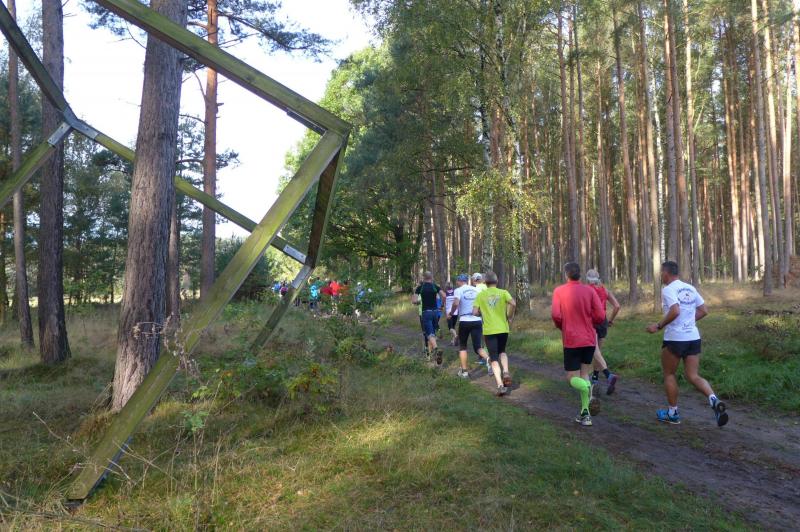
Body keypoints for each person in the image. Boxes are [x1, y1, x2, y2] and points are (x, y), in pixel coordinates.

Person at [646, 261, 729, 427]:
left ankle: (673, 414)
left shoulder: (668, 289)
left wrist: (658, 326)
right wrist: (689, 321)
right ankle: (713, 399)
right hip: (693, 337)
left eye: (661, 273)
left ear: (666, 273)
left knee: (669, 374)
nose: (661, 276)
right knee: (693, 376)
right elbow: (704, 310)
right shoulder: (690, 288)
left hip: (675, 339)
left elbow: (675, 310)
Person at [551, 262, 605, 427]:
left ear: (566, 274)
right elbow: (600, 315)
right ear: (580, 275)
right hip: (589, 339)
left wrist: (563, 326)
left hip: (572, 340)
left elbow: (556, 315)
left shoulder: (559, 291)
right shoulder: (589, 290)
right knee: (584, 374)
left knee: (571, 378)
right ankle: (585, 415)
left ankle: (590, 392)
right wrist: (589, 322)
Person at [473, 271, 515, 395]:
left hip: (489, 330)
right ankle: (505, 371)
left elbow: (474, 312)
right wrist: (509, 316)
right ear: (497, 281)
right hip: (503, 328)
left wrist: (481, 313)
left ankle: (500, 385)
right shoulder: (503, 292)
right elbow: (513, 303)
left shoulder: (481, 295)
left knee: (494, 357)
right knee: (502, 351)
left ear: (485, 283)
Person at [585, 269, 621, 395]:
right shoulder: (605, 290)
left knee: (595, 351)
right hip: (603, 322)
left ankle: (608, 375)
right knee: (598, 352)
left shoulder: (587, 290)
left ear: (587, 279)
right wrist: (610, 320)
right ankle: (595, 378)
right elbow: (617, 306)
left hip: (592, 322)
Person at [449, 274, 491, 378]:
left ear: (459, 281)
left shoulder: (458, 290)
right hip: (477, 320)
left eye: (457, 281)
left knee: (463, 346)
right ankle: (488, 359)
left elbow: (456, 303)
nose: (456, 283)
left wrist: (451, 313)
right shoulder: (476, 290)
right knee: (478, 347)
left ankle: (464, 372)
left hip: (465, 320)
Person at [412, 271, 446, 365]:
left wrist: (418, 302)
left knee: (429, 334)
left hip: (426, 313)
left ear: (423, 277)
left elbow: (414, 301)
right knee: (433, 333)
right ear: (431, 277)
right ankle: (433, 354)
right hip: (435, 312)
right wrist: (442, 305)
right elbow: (444, 295)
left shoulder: (420, 288)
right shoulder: (435, 286)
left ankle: (436, 349)